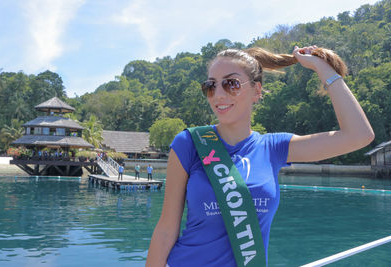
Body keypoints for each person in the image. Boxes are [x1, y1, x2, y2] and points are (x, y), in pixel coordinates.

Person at [146, 45, 374, 267]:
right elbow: (166, 229)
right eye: (211, 86)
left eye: (231, 84)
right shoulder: (189, 144)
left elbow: (359, 135)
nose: (219, 94)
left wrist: (322, 68)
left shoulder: (273, 148)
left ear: (256, 91)